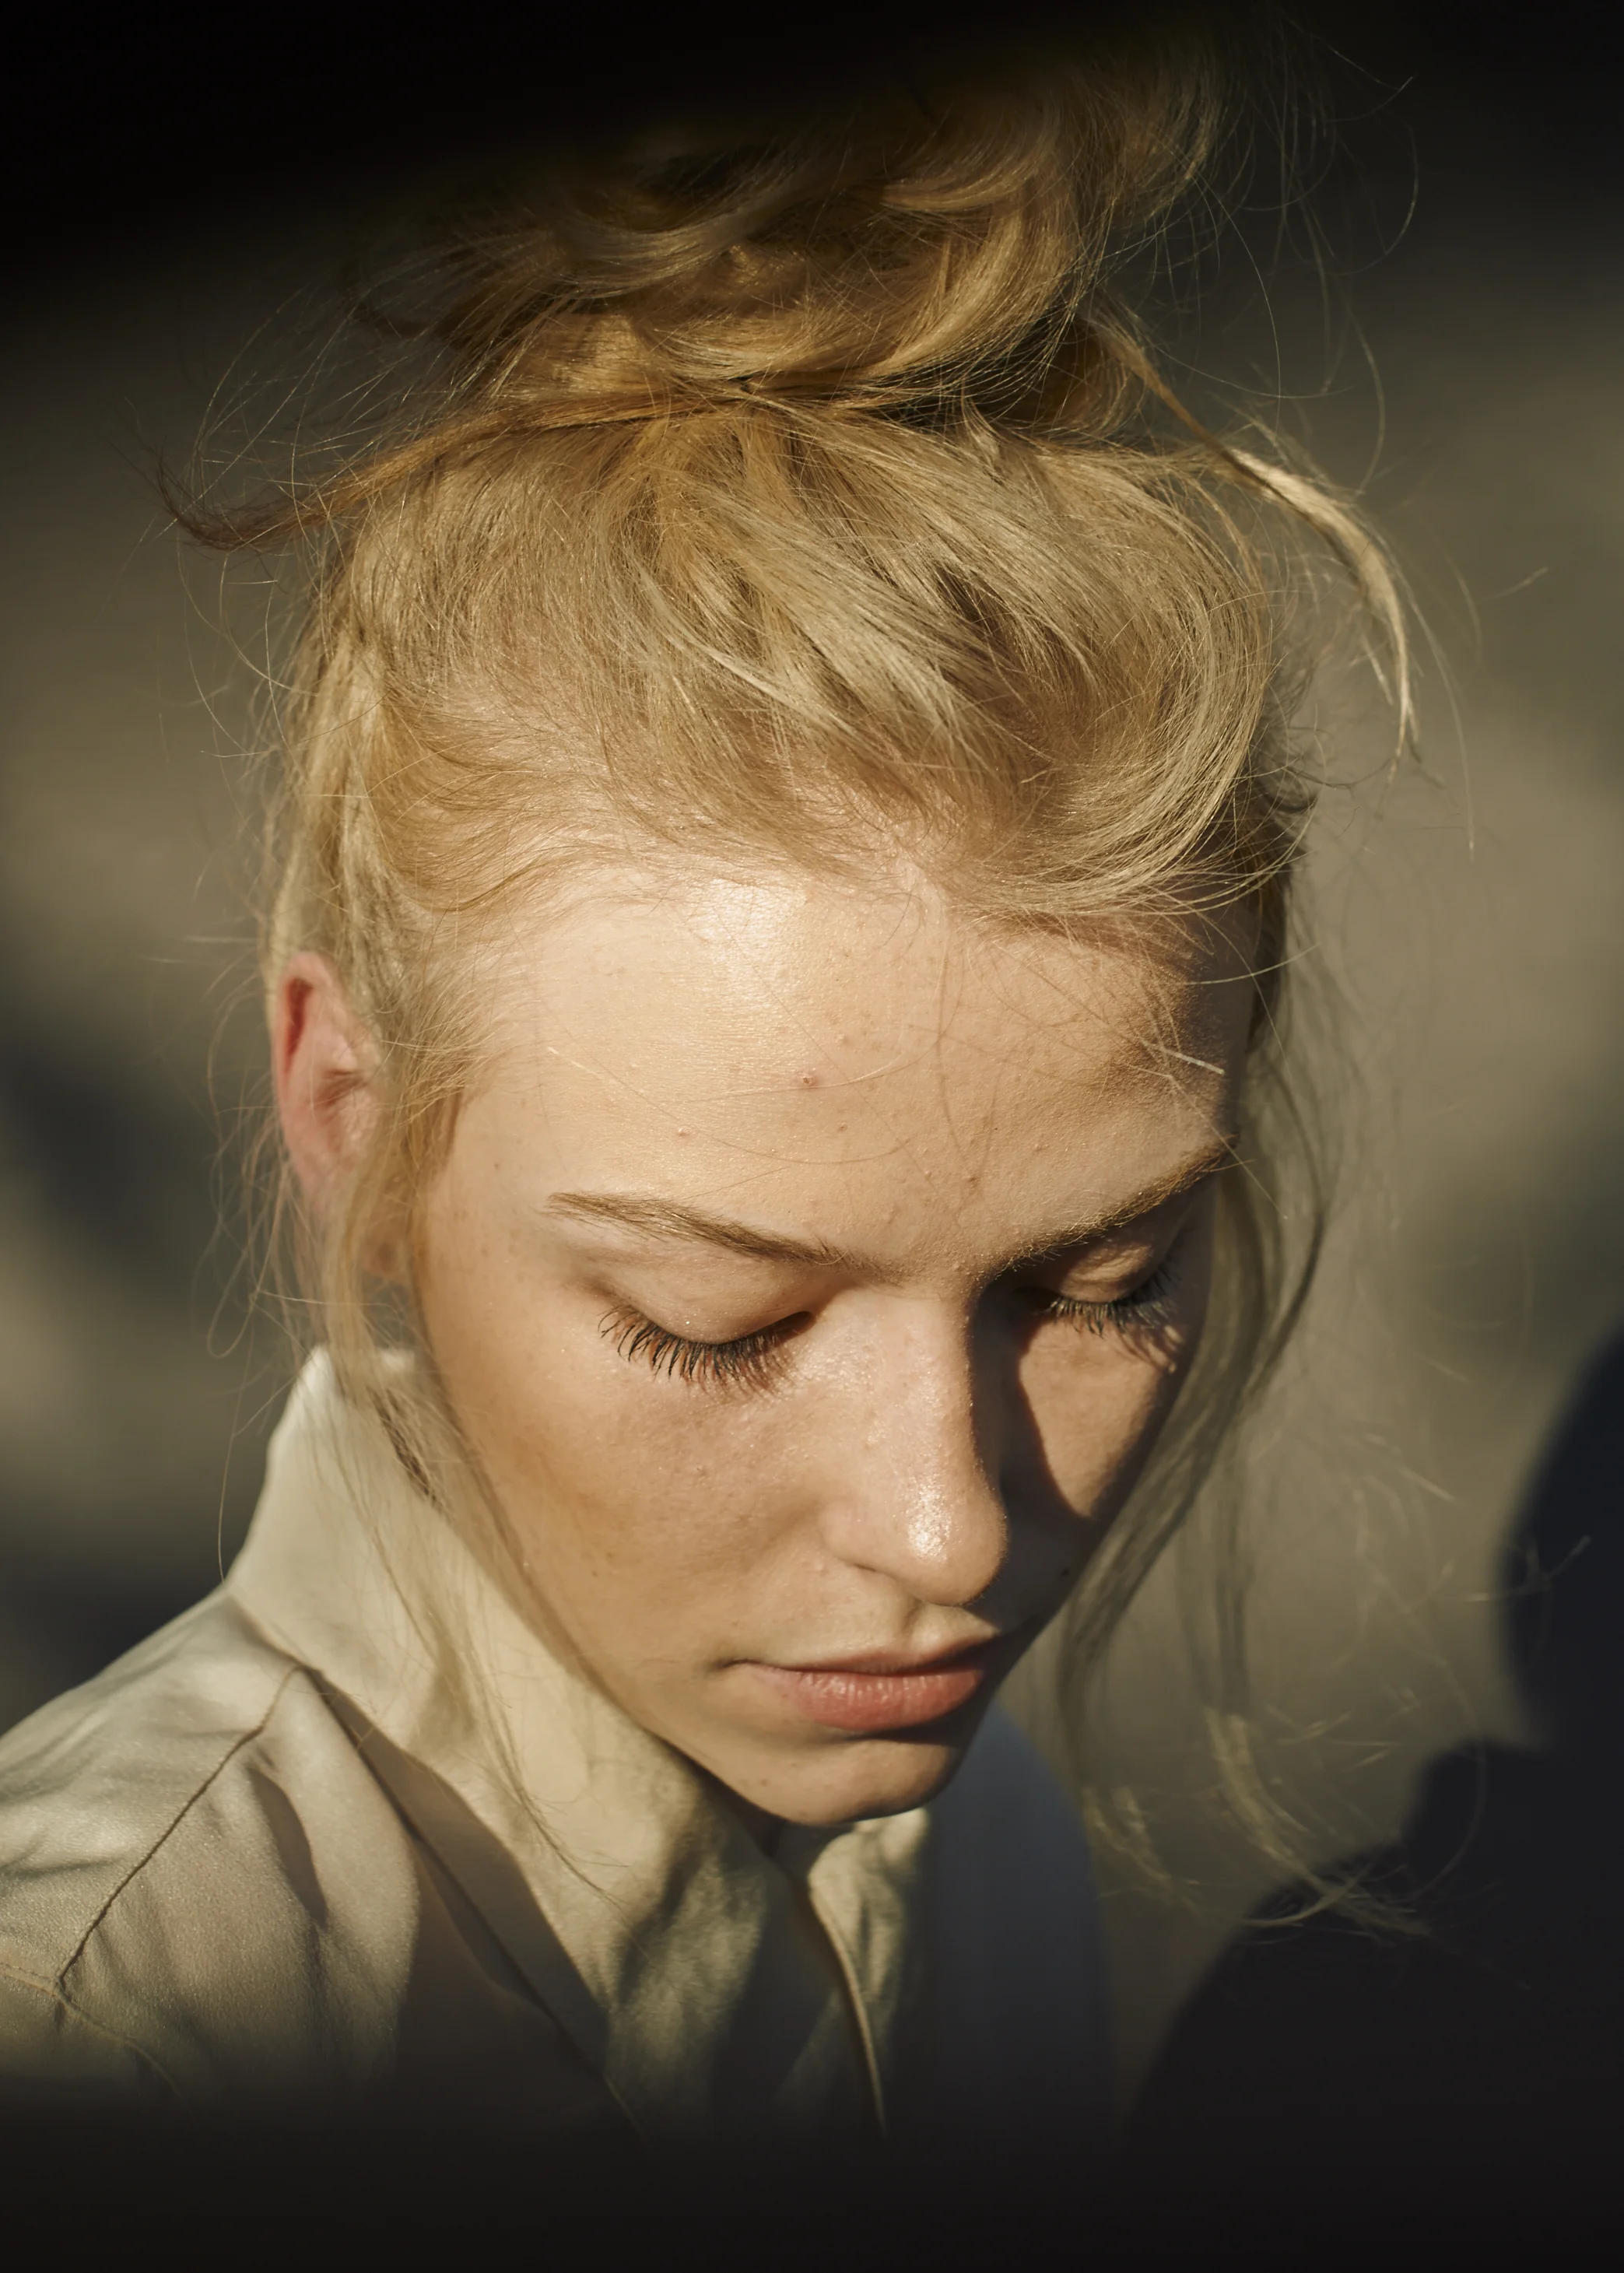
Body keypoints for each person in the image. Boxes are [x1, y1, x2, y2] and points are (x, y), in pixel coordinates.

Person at [0, 17, 1400, 2208]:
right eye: (717, 1323)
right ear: (350, 1110)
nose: (944, 1537)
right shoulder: (108, 2035)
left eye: (1095, 1283)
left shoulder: (982, 1867)